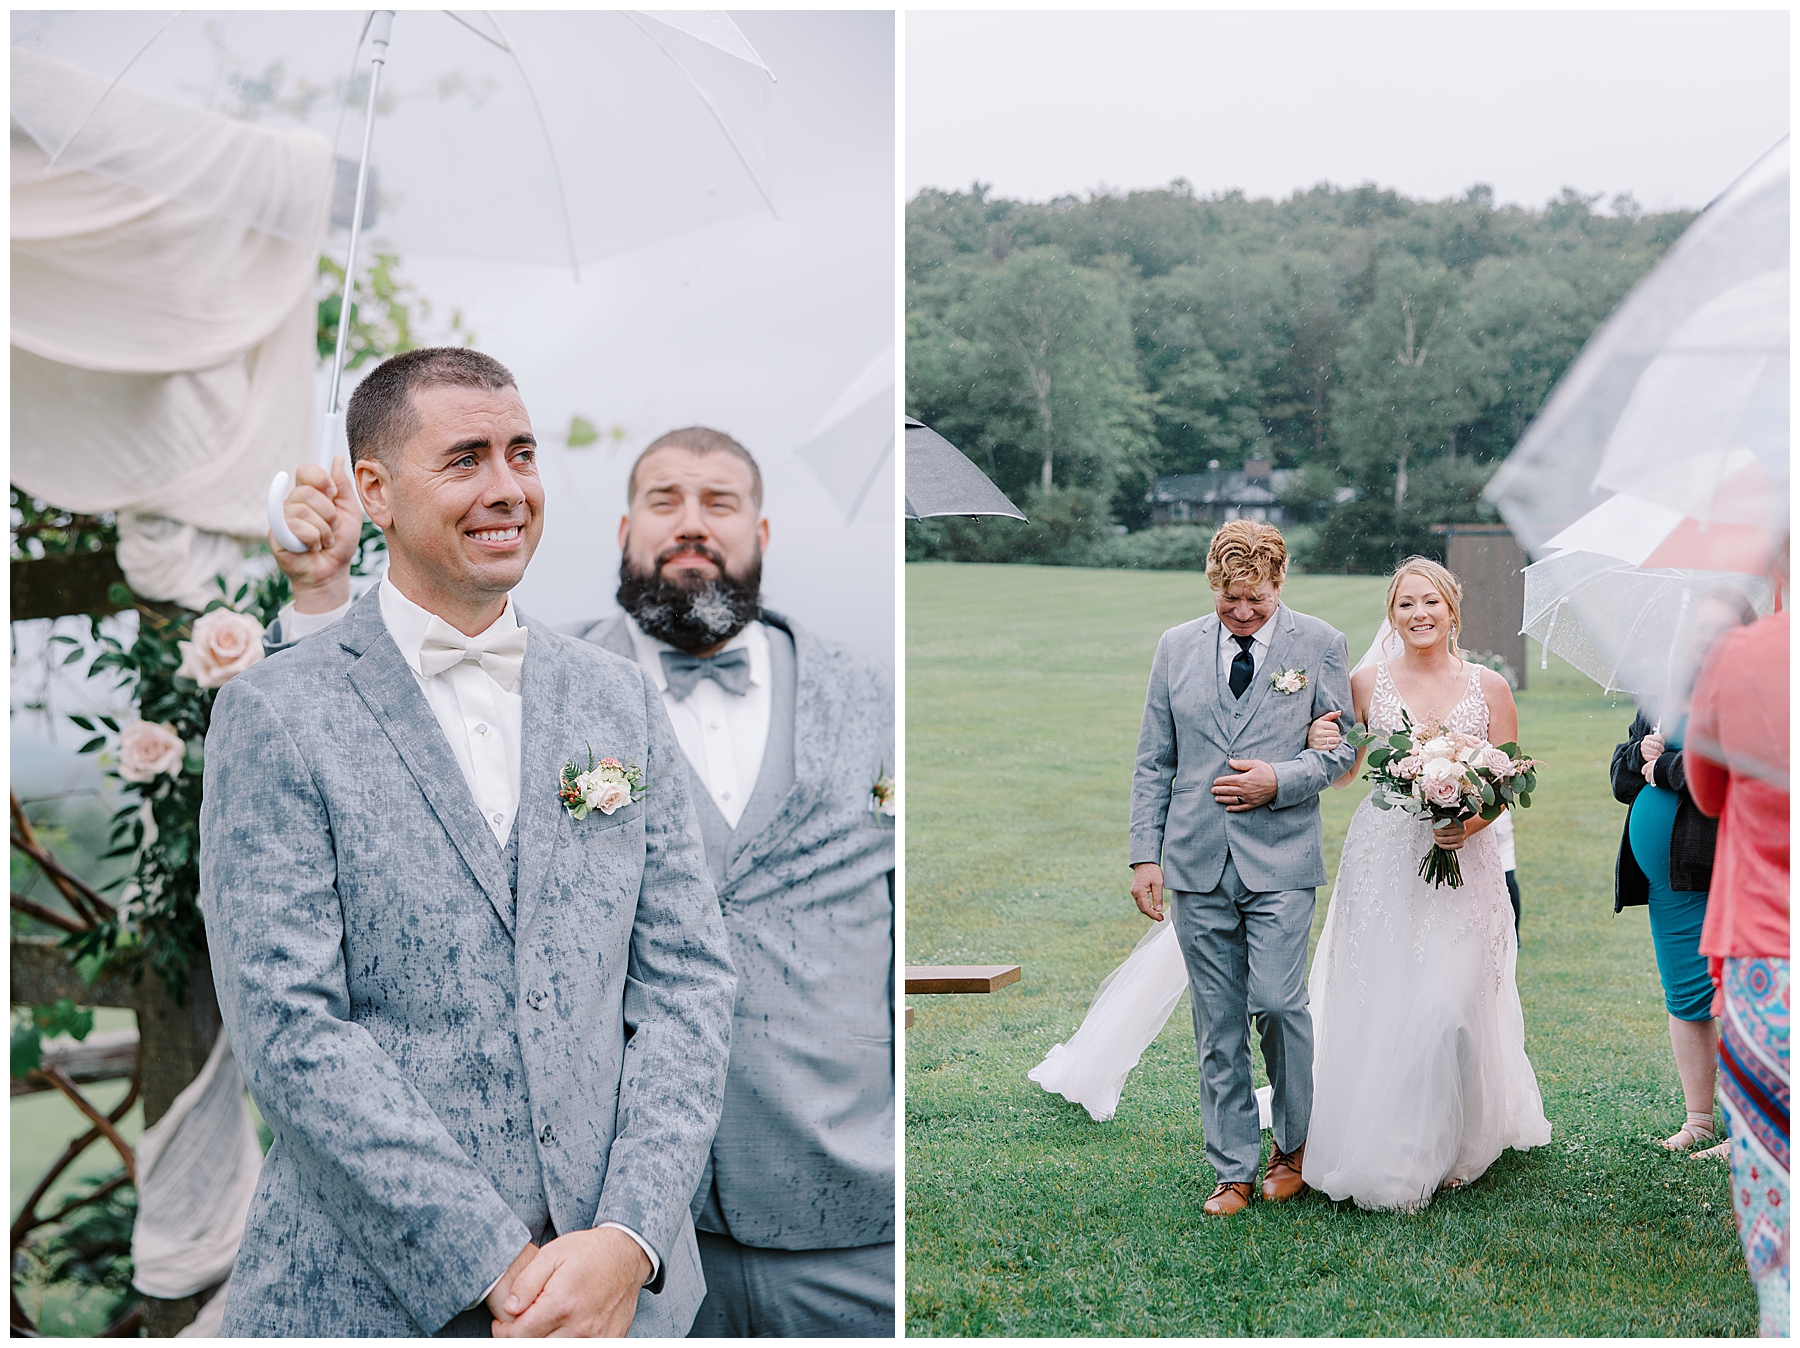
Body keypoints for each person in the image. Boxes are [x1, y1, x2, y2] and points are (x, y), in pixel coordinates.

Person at [203, 347, 737, 1337]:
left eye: (522, 454)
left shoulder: (616, 695)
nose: (508, 489)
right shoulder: (275, 712)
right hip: (367, 1296)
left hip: (619, 1298)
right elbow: (288, 1028)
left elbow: (688, 987)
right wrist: (495, 1261)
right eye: (466, 459)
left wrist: (628, 1235)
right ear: (375, 489)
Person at [577, 427, 895, 1336]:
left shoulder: (872, 695)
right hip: (621, 1240)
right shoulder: (543, 694)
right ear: (625, 528)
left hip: (853, 1225)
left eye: (718, 503)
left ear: (761, 530)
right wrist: (320, 596)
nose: (692, 525)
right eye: (664, 501)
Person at [1302, 557, 1551, 1209]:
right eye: (1406, 603)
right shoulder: (1365, 682)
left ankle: (1462, 1139)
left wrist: (1466, 827)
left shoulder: (1489, 686)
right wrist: (1321, 736)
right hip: (1382, 859)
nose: (1419, 614)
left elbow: (1508, 782)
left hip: (1464, 864)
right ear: (1392, 614)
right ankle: (1398, 1142)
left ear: (1452, 611)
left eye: (1430, 602)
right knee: (1386, 994)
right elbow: (1344, 773)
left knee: (1448, 1008)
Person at [1127, 519, 1359, 1216]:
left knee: (1281, 1006)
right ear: (1213, 586)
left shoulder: (1318, 644)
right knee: (1216, 1020)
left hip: (1282, 860)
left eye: (1256, 598)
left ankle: (1293, 1148)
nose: (1244, 612)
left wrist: (1278, 780)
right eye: (1231, 600)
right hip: (1196, 862)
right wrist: (1146, 854)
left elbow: (1342, 753)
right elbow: (1154, 761)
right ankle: (1232, 1168)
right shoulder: (1175, 648)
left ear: (1279, 582)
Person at [1609, 590, 1752, 1158]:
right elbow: (1622, 778)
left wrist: (1659, 764)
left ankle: (1748, 1127)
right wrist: (1637, 754)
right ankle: (1699, 1120)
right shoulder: (1661, 695)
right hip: (1666, 875)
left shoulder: (1750, 694)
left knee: (1735, 996)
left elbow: (1728, 772)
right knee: (1685, 994)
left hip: (1721, 862)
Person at [1685, 592, 1788, 1339]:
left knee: (1770, 1142)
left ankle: (1785, 1309)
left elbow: (1709, 792)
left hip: (1767, 938)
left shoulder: (1742, 654)